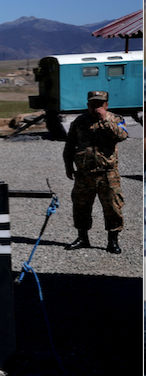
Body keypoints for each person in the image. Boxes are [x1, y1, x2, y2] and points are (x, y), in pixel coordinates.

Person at [62, 90, 128, 254]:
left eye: (100, 104)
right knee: (81, 206)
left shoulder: (116, 119)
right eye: (93, 104)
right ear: (87, 105)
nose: (96, 107)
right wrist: (68, 165)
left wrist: (104, 119)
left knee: (113, 207)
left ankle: (112, 241)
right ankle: (82, 238)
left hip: (107, 174)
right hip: (84, 174)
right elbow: (70, 145)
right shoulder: (79, 121)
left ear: (106, 105)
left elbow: (122, 135)